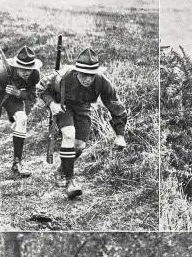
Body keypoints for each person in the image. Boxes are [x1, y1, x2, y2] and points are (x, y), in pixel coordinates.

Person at [37, 48, 128, 199]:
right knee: (69, 135)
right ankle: (70, 182)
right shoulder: (63, 76)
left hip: (83, 108)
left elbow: (115, 105)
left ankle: (62, 169)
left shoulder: (101, 81)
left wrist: (120, 135)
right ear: (77, 71)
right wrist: (52, 103)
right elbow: (41, 88)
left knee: (79, 146)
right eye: (84, 74)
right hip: (63, 106)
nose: (88, 79)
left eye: (91, 75)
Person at [0, 45, 43, 177]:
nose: (27, 72)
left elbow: (32, 95)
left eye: (29, 68)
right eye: (23, 69)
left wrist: (19, 93)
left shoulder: (35, 74)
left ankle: (17, 163)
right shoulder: (0, 73)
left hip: (12, 96)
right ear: (16, 66)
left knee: (22, 119)